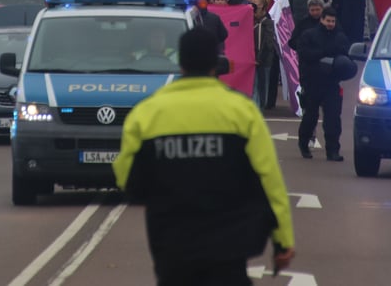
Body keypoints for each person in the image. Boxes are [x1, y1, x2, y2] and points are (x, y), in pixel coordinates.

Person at [113, 27, 295, 286]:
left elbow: (127, 180)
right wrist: (282, 241)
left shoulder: (147, 113)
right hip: (229, 247)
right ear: (216, 63)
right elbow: (269, 182)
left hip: (171, 245)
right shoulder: (242, 112)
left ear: (181, 62)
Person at [296, 6, 350, 161]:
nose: (330, 24)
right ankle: (304, 144)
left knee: (333, 119)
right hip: (313, 82)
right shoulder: (309, 35)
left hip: (332, 84)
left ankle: (333, 151)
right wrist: (324, 53)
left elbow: (345, 55)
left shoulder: (340, 37)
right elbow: (304, 54)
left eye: (333, 21)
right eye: (328, 20)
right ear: (322, 19)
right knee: (310, 117)